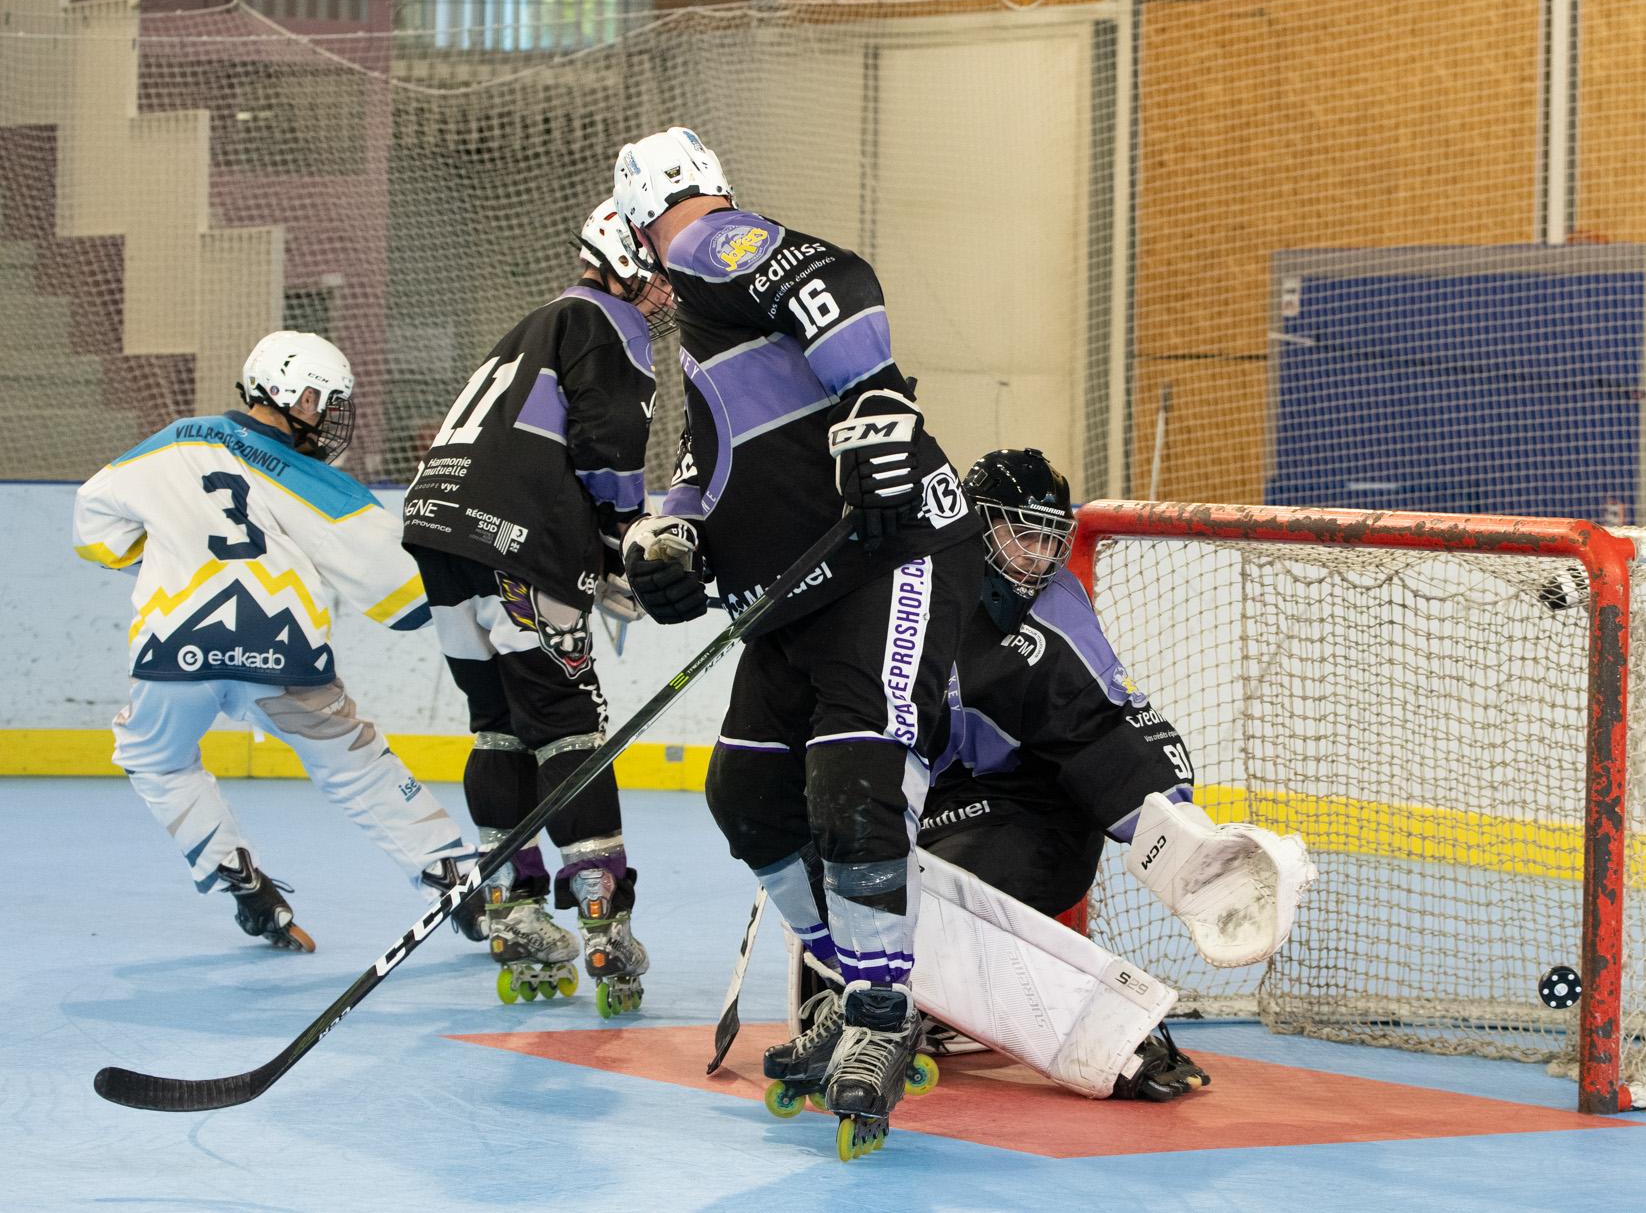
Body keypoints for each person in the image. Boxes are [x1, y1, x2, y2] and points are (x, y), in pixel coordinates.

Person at [611, 126, 982, 1152]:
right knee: (747, 794)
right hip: (795, 597)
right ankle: (846, 981)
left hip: (886, 560)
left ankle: (881, 1014)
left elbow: (833, 275)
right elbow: (710, 465)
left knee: (853, 782)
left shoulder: (702, 247)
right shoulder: (709, 336)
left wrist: (875, 400)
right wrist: (669, 539)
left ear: (641, 232)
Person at [791, 448, 1311, 1102]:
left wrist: (1181, 839)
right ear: (977, 523)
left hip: (1034, 813)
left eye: (1049, 538)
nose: (1037, 557)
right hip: (942, 797)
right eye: (1021, 534)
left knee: (941, 901)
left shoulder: (1052, 615)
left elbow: (1107, 727)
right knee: (832, 864)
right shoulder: (914, 584)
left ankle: (1117, 1040)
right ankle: (876, 1007)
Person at [73, 330, 472, 952]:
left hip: (174, 649)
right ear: (299, 397)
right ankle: (459, 883)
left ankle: (243, 885)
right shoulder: (313, 480)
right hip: (282, 653)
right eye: (327, 402)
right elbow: (405, 598)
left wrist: (163, 557)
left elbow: (93, 529)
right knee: (357, 770)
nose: (330, 417)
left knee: (154, 757)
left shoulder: (171, 440)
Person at [400, 198, 671, 1016]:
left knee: (500, 723)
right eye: (660, 271)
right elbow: (608, 442)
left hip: (440, 527)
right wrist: (624, 534)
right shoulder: (608, 320)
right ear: (623, 260)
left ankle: (512, 903)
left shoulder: (535, 322)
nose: (668, 291)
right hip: (514, 537)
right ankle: (601, 909)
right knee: (568, 722)